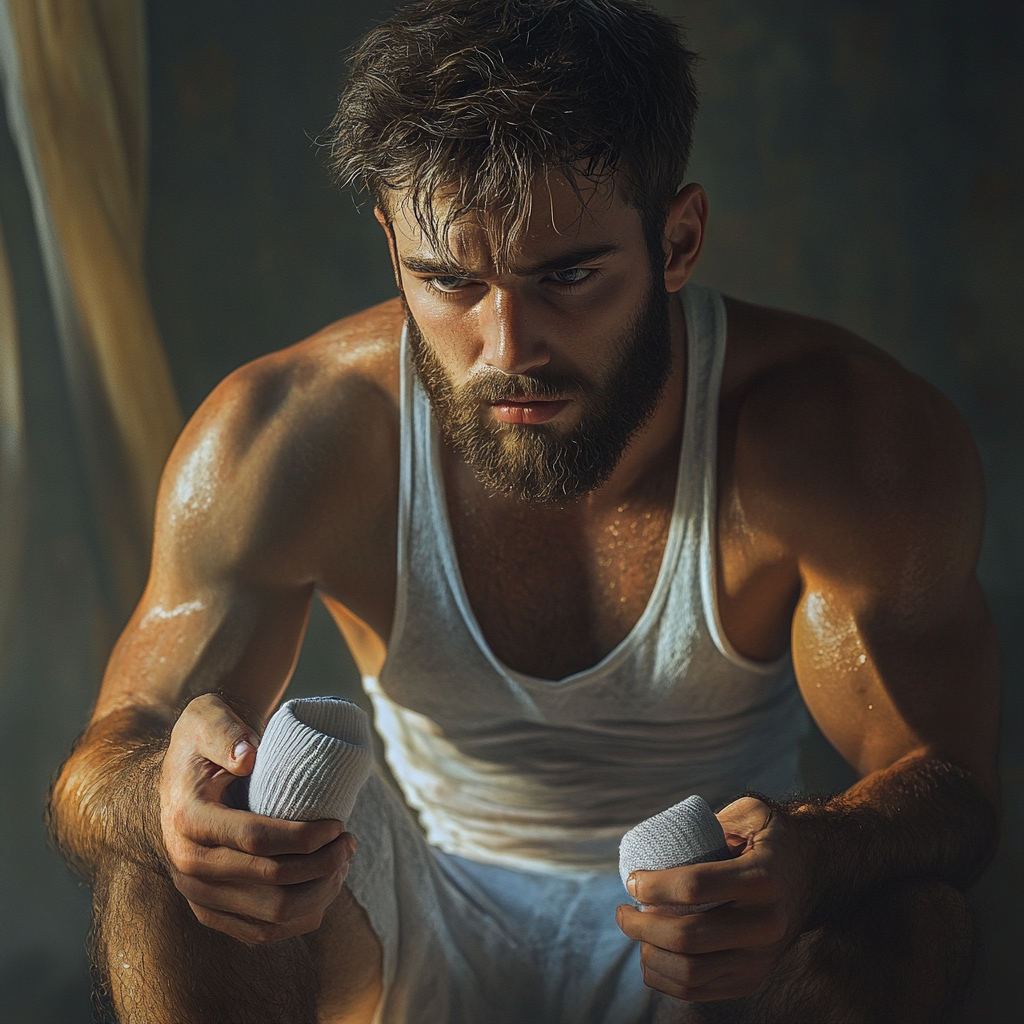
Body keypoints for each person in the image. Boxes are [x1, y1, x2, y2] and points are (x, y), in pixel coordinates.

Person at [47, 1, 1000, 1022]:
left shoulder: (846, 439)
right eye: (450, 281)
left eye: (569, 277)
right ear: (390, 244)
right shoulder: (284, 434)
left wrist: (818, 855)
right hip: (411, 921)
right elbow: (104, 759)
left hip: (710, 933)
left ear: (676, 241)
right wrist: (167, 805)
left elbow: (952, 794)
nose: (508, 347)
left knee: (904, 906)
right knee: (165, 866)